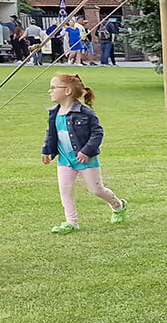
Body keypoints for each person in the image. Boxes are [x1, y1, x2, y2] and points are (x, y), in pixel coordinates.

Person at [40, 73, 127, 232]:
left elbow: (97, 133)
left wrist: (87, 151)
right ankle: (71, 222)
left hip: (86, 161)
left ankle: (118, 205)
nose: (50, 91)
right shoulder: (54, 113)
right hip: (65, 161)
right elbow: (51, 134)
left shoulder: (85, 113)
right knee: (65, 190)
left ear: (67, 91)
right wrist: (47, 151)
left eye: (53, 88)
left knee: (96, 190)